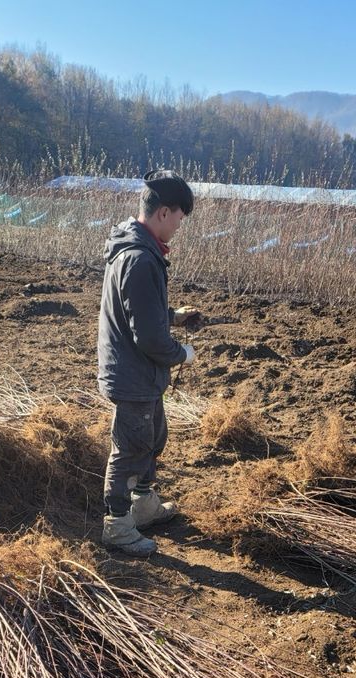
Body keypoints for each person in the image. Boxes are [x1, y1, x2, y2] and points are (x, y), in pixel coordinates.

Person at [97, 169, 198, 557]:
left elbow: (139, 310)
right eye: (179, 218)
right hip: (133, 372)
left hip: (140, 371)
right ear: (163, 213)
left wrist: (173, 316)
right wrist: (182, 354)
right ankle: (118, 525)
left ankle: (143, 504)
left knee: (153, 437)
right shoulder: (140, 258)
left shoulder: (139, 249)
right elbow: (149, 338)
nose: (178, 226)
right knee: (130, 448)